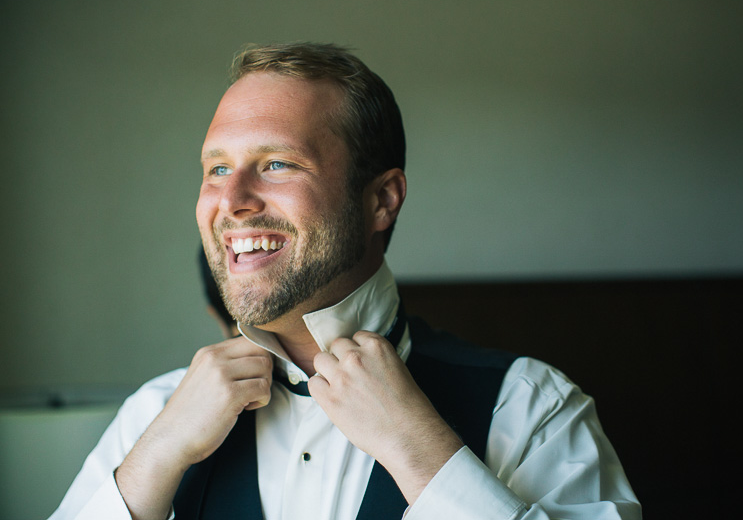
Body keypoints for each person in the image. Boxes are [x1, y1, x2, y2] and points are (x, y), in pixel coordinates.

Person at [49, 43, 641, 520]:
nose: (230, 202)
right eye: (217, 169)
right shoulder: (153, 416)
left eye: (277, 163)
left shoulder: (529, 408)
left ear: (382, 199)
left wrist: (425, 456)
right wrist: (153, 462)